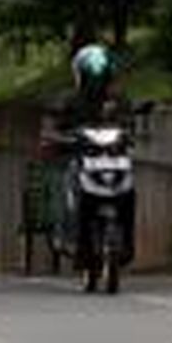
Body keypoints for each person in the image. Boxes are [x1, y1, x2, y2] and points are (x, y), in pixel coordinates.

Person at [48, 42, 138, 269]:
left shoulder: (119, 100)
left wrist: (127, 134)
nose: (96, 82)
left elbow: (130, 124)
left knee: (129, 194)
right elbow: (57, 126)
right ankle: (73, 240)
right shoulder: (70, 100)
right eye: (91, 76)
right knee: (70, 187)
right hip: (82, 159)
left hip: (113, 159)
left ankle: (127, 240)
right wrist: (64, 138)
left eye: (100, 76)